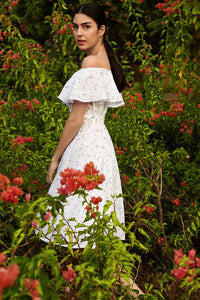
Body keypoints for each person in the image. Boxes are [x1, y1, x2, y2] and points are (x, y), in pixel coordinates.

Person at [41, 2, 143, 297]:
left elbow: (76, 119)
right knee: (94, 228)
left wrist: (56, 157)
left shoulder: (90, 64)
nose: (79, 33)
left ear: (102, 30)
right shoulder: (102, 61)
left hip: (86, 145)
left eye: (86, 26)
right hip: (100, 144)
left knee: (77, 225)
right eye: (75, 27)